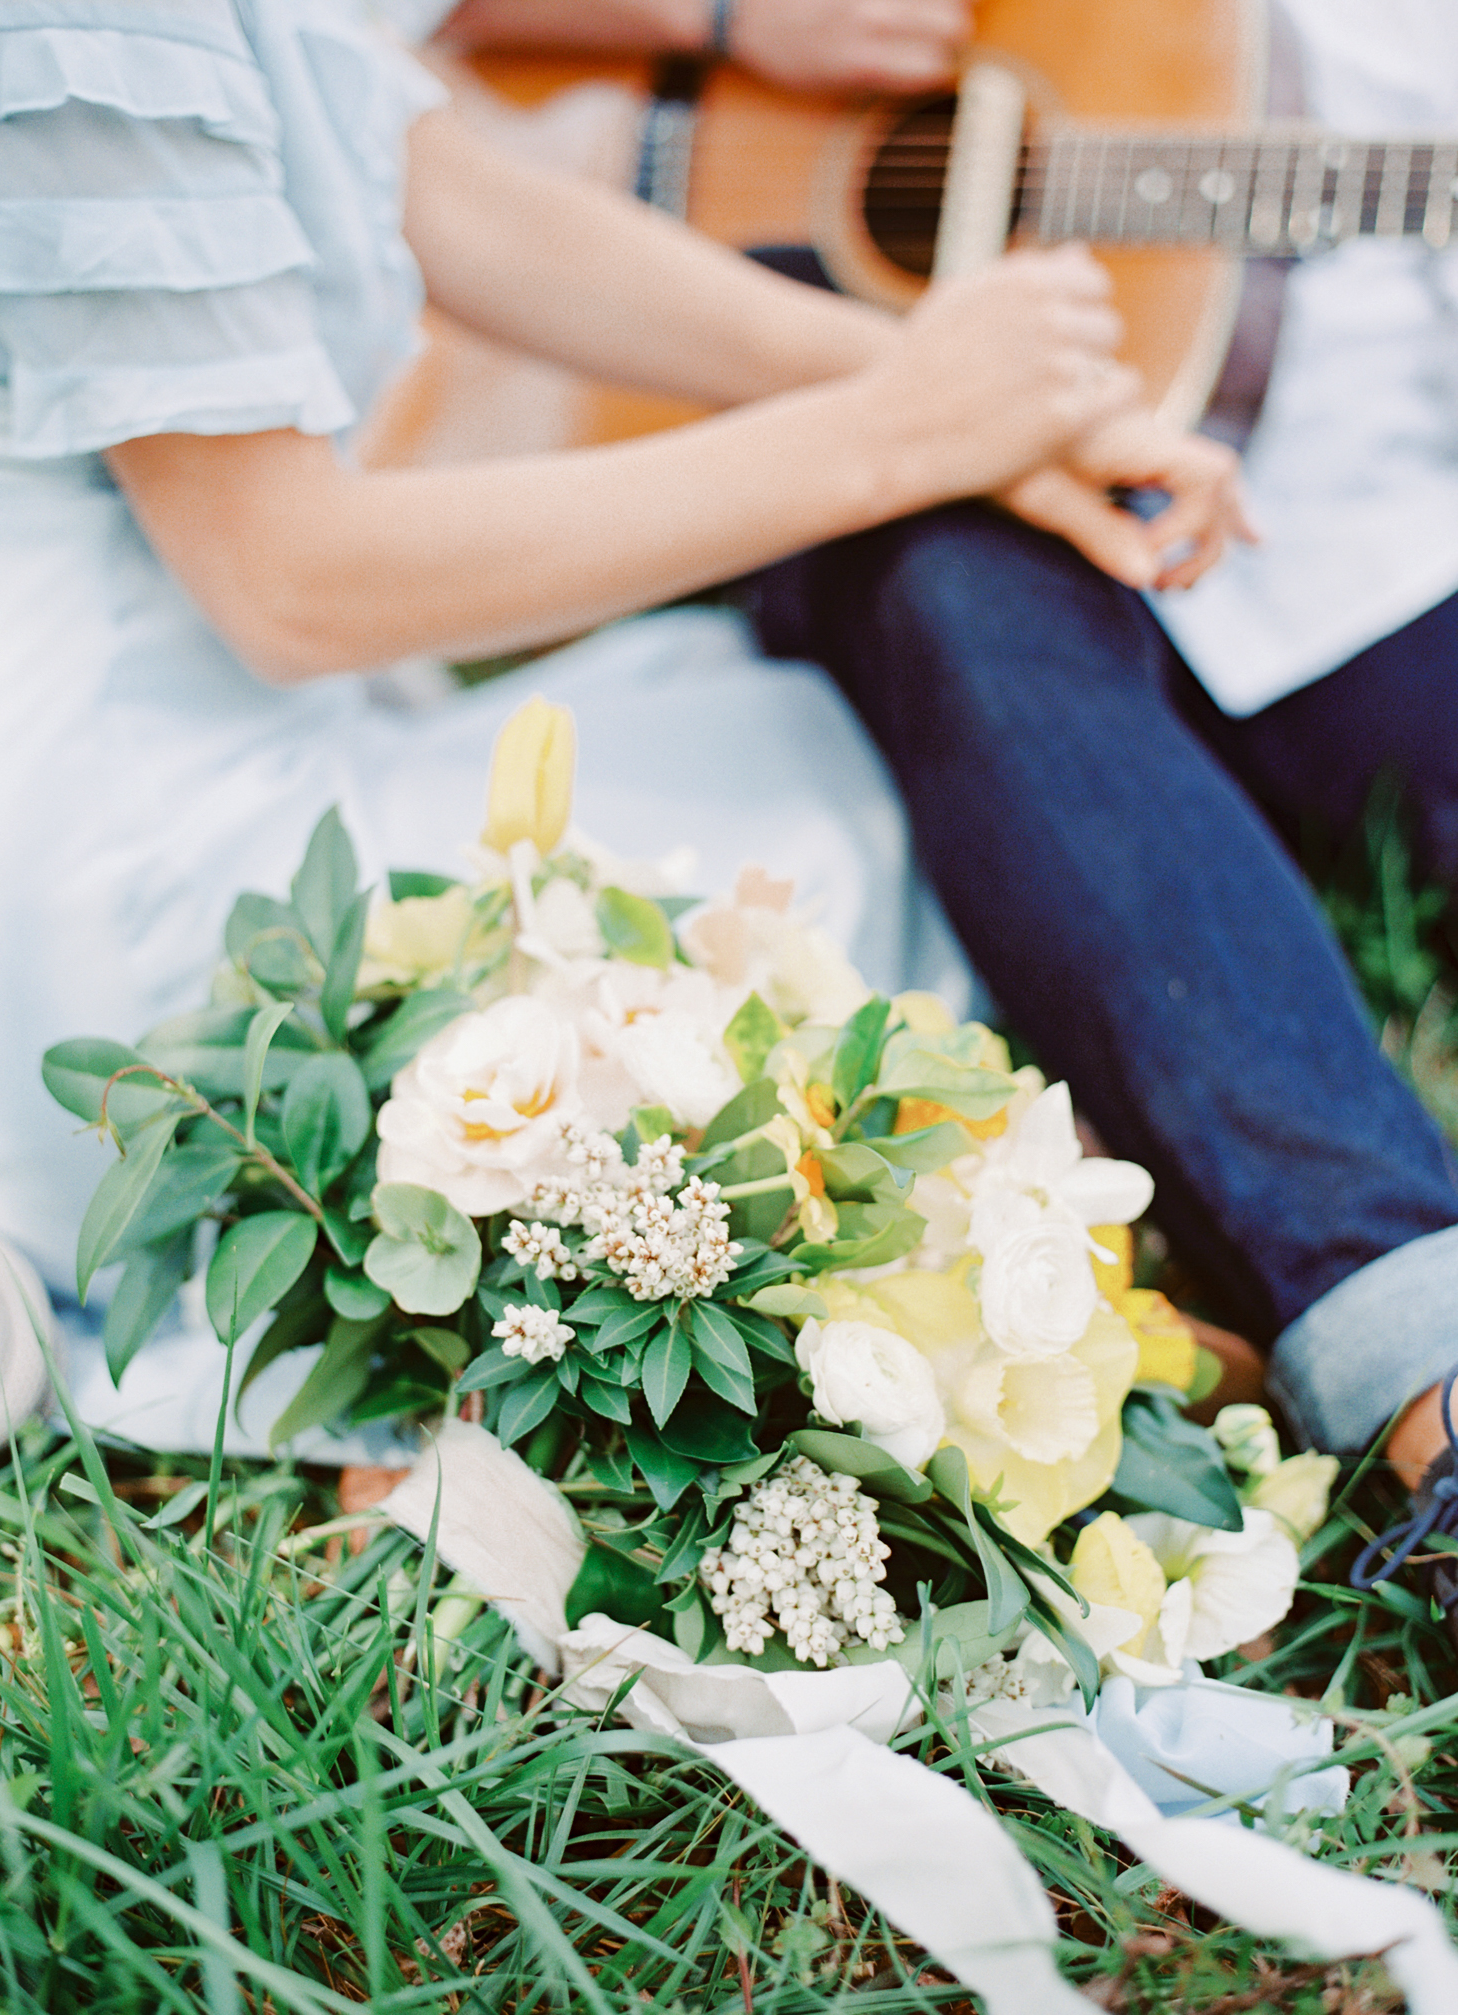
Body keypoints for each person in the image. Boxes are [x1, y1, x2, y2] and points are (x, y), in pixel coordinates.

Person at [0, 0, 1241, 1461]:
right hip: (102, 858)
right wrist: (905, 432)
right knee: (817, 851)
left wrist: (987, 406)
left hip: (230, 719)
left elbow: (446, 194)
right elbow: (289, 581)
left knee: (808, 777)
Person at [444, 0, 1458, 1532]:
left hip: (1388, 548)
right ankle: (1422, 1360)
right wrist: (717, 15)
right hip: (904, 463)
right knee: (947, 584)